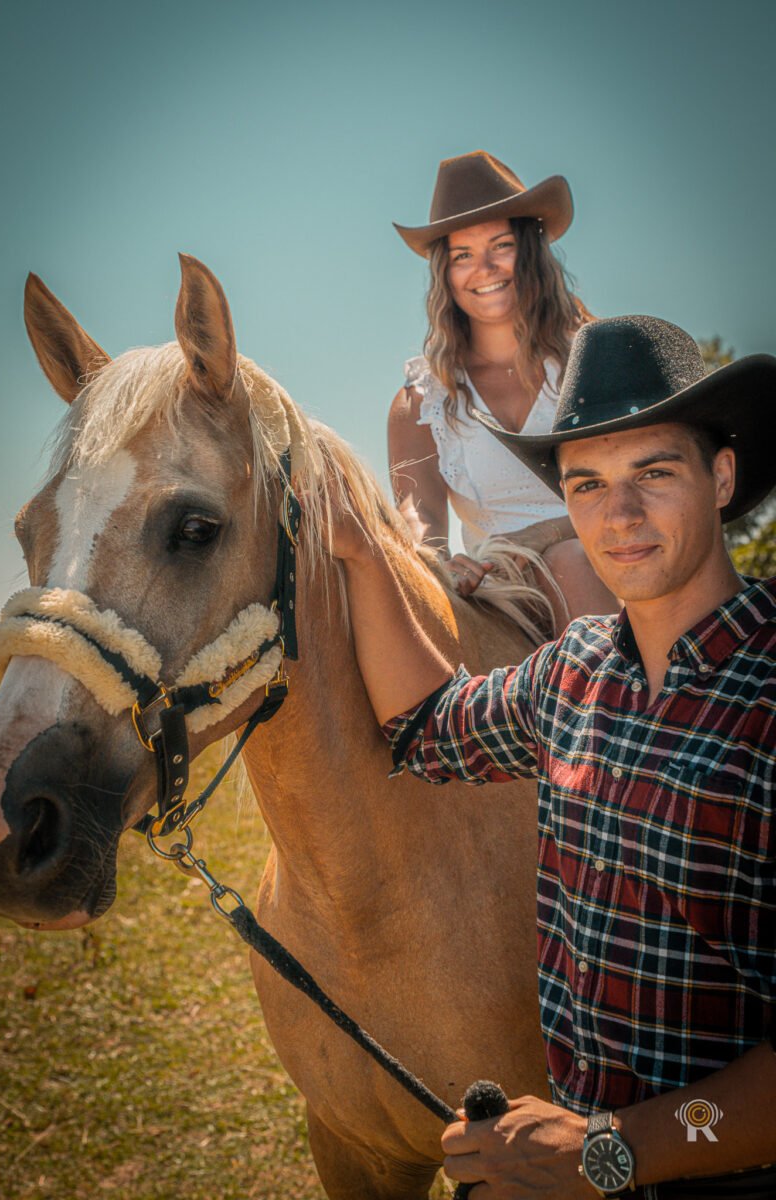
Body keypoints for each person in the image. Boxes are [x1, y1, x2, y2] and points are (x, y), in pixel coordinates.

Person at [331, 315, 776, 1198]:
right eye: (586, 484)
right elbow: (426, 725)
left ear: (721, 475)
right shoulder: (571, 673)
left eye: (654, 472)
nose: (619, 515)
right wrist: (362, 549)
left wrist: (608, 1150)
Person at [389, 149, 616, 626]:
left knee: (573, 561)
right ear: (445, 275)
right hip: (502, 592)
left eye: (501, 246)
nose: (484, 268)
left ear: (530, 251)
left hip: (615, 558)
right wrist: (441, 563)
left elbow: (630, 487)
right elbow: (419, 520)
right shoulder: (422, 401)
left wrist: (543, 538)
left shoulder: (594, 360)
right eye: (463, 256)